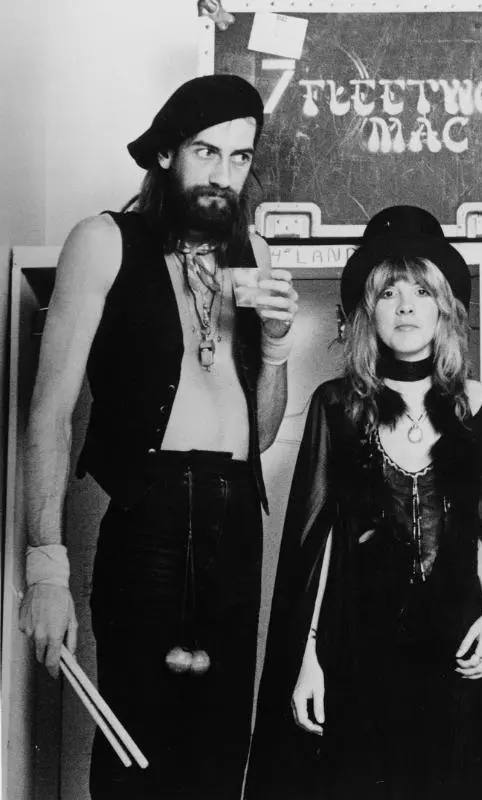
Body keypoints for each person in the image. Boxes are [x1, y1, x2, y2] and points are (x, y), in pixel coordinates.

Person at [17, 74, 298, 799]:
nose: (223, 175)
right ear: (168, 152)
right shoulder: (104, 241)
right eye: (208, 152)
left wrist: (274, 347)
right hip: (148, 518)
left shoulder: (253, 255)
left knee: (219, 756)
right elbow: (48, 411)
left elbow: (261, 435)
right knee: (136, 752)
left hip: (238, 521)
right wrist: (46, 571)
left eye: (240, 158)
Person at [245, 205, 482, 799]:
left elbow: (474, 530)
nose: (408, 305)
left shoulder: (478, 403)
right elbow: (317, 543)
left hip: (458, 646)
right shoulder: (337, 404)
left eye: (422, 290)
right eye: (389, 292)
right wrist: (307, 660)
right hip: (358, 650)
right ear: (369, 312)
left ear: (444, 307)